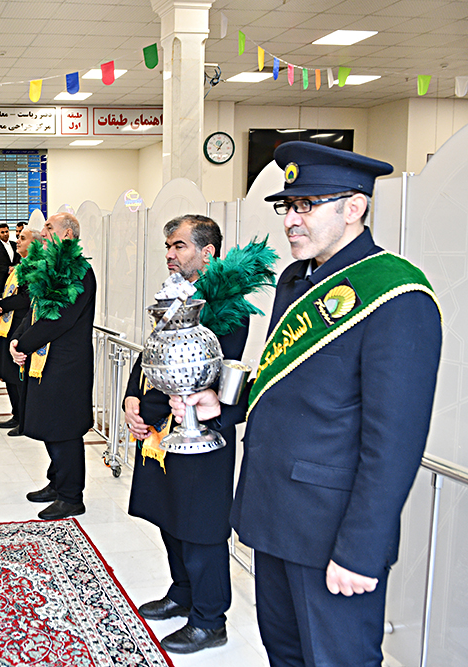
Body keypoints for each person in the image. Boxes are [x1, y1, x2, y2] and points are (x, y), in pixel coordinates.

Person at [172, 142, 443, 666]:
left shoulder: (397, 295)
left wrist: (360, 550)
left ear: (354, 207)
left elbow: (394, 443)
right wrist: (222, 405)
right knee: (285, 652)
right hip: (274, 513)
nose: (291, 220)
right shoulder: (297, 281)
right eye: (288, 206)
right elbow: (288, 385)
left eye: (307, 205)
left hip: (331, 531)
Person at [123, 215, 248, 655]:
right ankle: (182, 593)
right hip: (161, 430)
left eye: (178, 246)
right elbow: (152, 352)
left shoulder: (227, 305)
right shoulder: (174, 295)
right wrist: (132, 398)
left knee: (200, 529)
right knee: (170, 516)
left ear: (207, 252)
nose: (170, 254)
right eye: (168, 247)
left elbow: (208, 375)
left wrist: (161, 409)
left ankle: (210, 619)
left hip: (201, 433)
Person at [10, 212, 96, 520]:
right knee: (51, 426)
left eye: (49, 227)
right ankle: (57, 482)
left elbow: (59, 319)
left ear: (68, 235)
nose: (43, 232)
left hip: (67, 366)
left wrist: (23, 344)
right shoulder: (50, 267)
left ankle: (71, 497)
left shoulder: (78, 271)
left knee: (64, 430)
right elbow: (35, 312)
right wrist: (17, 339)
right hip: (45, 363)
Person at [0, 228, 34, 434]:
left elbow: (26, 298)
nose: (18, 241)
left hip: (20, 328)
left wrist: (2, 304)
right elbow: (7, 290)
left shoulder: (34, 268)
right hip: (7, 326)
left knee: (18, 377)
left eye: (23, 238)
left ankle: (25, 420)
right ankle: (16, 414)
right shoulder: (19, 266)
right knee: (8, 374)